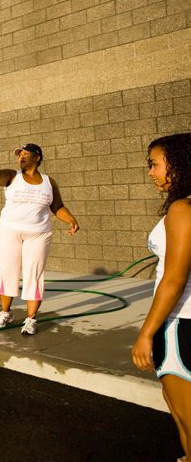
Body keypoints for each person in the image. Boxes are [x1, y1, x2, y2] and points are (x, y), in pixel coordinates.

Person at [132, 133, 191, 462]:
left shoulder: (183, 208)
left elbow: (174, 279)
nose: (150, 172)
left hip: (180, 324)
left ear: (179, 165)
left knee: (186, 418)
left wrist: (146, 333)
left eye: (155, 164)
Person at [0, 142, 79, 335]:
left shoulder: (48, 182)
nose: (21, 157)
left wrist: (70, 219)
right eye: (20, 154)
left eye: (26, 154)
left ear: (37, 157)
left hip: (38, 233)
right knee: (8, 272)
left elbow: (57, 206)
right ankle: (5, 313)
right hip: (9, 230)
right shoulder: (12, 176)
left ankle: (30, 319)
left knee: (34, 275)